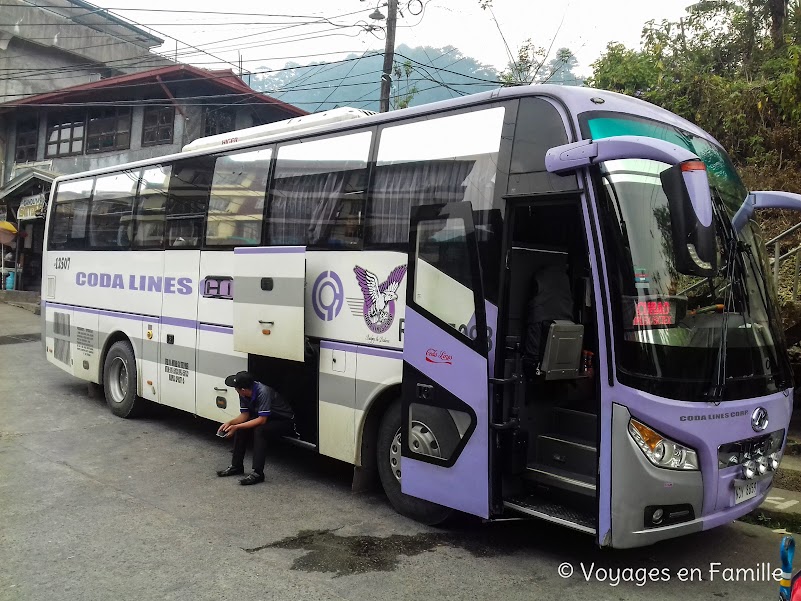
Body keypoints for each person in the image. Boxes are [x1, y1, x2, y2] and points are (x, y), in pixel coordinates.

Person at [216, 371, 297, 485]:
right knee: (240, 429)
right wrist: (230, 423)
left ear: (243, 389)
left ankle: (258, 473)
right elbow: (245, 415)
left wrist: (236, 426)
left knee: (260, 430)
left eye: (236, 388)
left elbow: (261, 420)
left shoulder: (263, 392)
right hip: (267, 418)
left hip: (284, 421)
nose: (235, 390)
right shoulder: (243, 393)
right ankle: (236, 466)